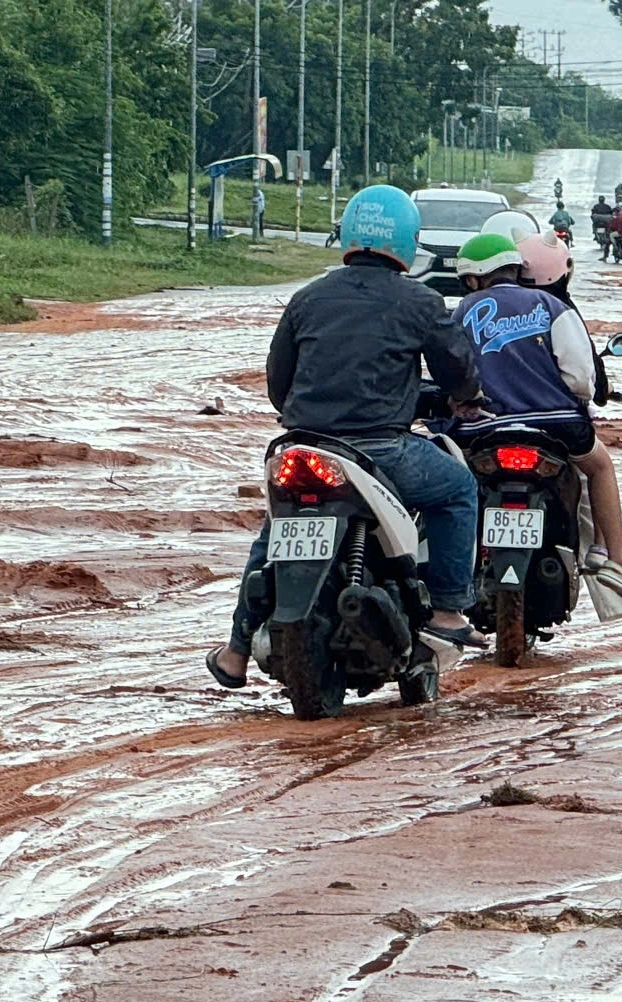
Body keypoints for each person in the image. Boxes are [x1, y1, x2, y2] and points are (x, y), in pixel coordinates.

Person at [208, 184, 487, 690]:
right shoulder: (421, 302)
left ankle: (235, 649)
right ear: (407, 242)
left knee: (275, 531)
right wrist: (463, 396)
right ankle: (447, 610)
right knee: (458, 491)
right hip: (382, 449)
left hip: (302, 446)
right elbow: (459, 375)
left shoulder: (307, 297)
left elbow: (279, 384)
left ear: (349, 235)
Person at [477, 231, 622, 654]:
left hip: (481, 433)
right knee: (597, 487)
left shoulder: (464, 309)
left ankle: (437, 615)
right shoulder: (556, 308)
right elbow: (581, 381)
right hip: (557, 434)